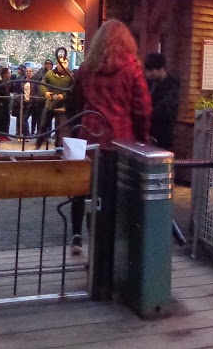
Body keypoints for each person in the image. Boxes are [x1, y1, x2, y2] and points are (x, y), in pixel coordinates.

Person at [67, 20, 151, 256]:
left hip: (90, 140)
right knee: (113, 198)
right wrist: (143, 138)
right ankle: (109, 254)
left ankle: (90, 247)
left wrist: (78, 128)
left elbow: (75, 102)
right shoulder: (132, 68)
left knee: (88, 192)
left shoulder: (87, 68)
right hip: (119, 142)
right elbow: (142, 108)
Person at [143, 52, 180, 151]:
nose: (148, 74)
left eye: (151, 70)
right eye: (147, 71)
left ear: (161, 68)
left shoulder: (171, 84)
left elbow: (166, 108)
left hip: (163, 133)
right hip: (149, 131)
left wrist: (148, 112)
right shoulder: (149, 82)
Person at [39, 51, 73, 148]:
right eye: (61, 63)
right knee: (43, 126)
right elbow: (43, 83)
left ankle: (58, 147)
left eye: (65, 63)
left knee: (60, 128)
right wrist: (45, 92)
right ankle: (38, 145)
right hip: (50, 104)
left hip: (62, 107)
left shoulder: (70, 76)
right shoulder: (50, 74)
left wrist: (64, 96)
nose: (63, 65)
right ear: (57, 63)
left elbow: (73, 89)